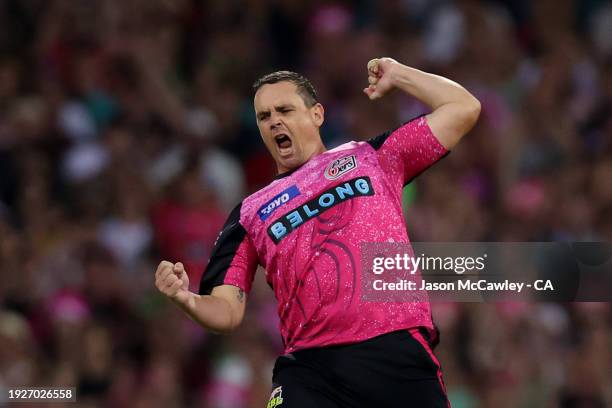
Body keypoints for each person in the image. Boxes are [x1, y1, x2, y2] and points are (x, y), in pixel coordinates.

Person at [154, 57, 480, 407]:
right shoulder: (249, 213)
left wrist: (400, 74)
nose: (274, 121)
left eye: (284, 109)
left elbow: (463, 108)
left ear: (317, 115)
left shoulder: (372, 158)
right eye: (264, 116)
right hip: (311, 370)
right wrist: (185, 299)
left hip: (395, 353)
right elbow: (227, 311)